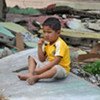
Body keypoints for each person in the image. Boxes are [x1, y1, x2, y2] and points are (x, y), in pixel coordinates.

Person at [18, 17, 71, 85]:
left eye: (49, 32)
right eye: (44, 32)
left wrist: (41, 70)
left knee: (55, 68)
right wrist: (39, 46)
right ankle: (30, 74)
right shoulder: (47, 43)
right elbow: (42, 59)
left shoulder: (60, 44)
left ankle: (38, 77)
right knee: (31, 57)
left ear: (58, 33)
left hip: (61, 68)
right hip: (49, 64)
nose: (46, 35)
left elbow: (56, 61)